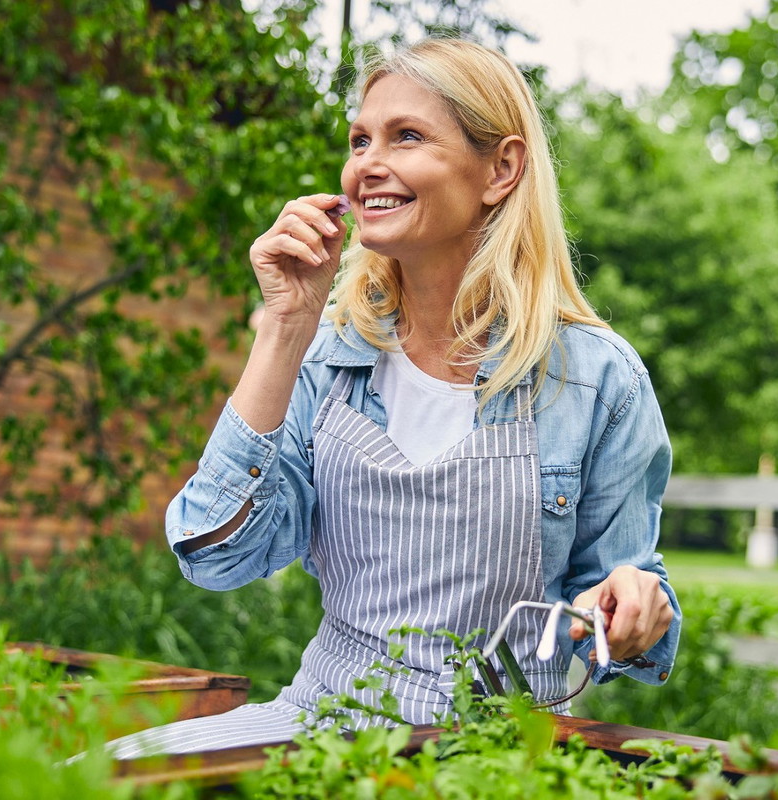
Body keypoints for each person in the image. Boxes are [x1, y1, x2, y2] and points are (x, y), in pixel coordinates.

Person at [105, 37, 680, 759]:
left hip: (488, 751)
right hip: (317, 723)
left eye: (406, 136)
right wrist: (286, 326)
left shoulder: (597, 381)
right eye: (359, 140)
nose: (366, 163)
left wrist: (632, 605)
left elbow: (629, 608)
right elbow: (215, 558)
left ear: (501, 168)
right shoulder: (327, 357)